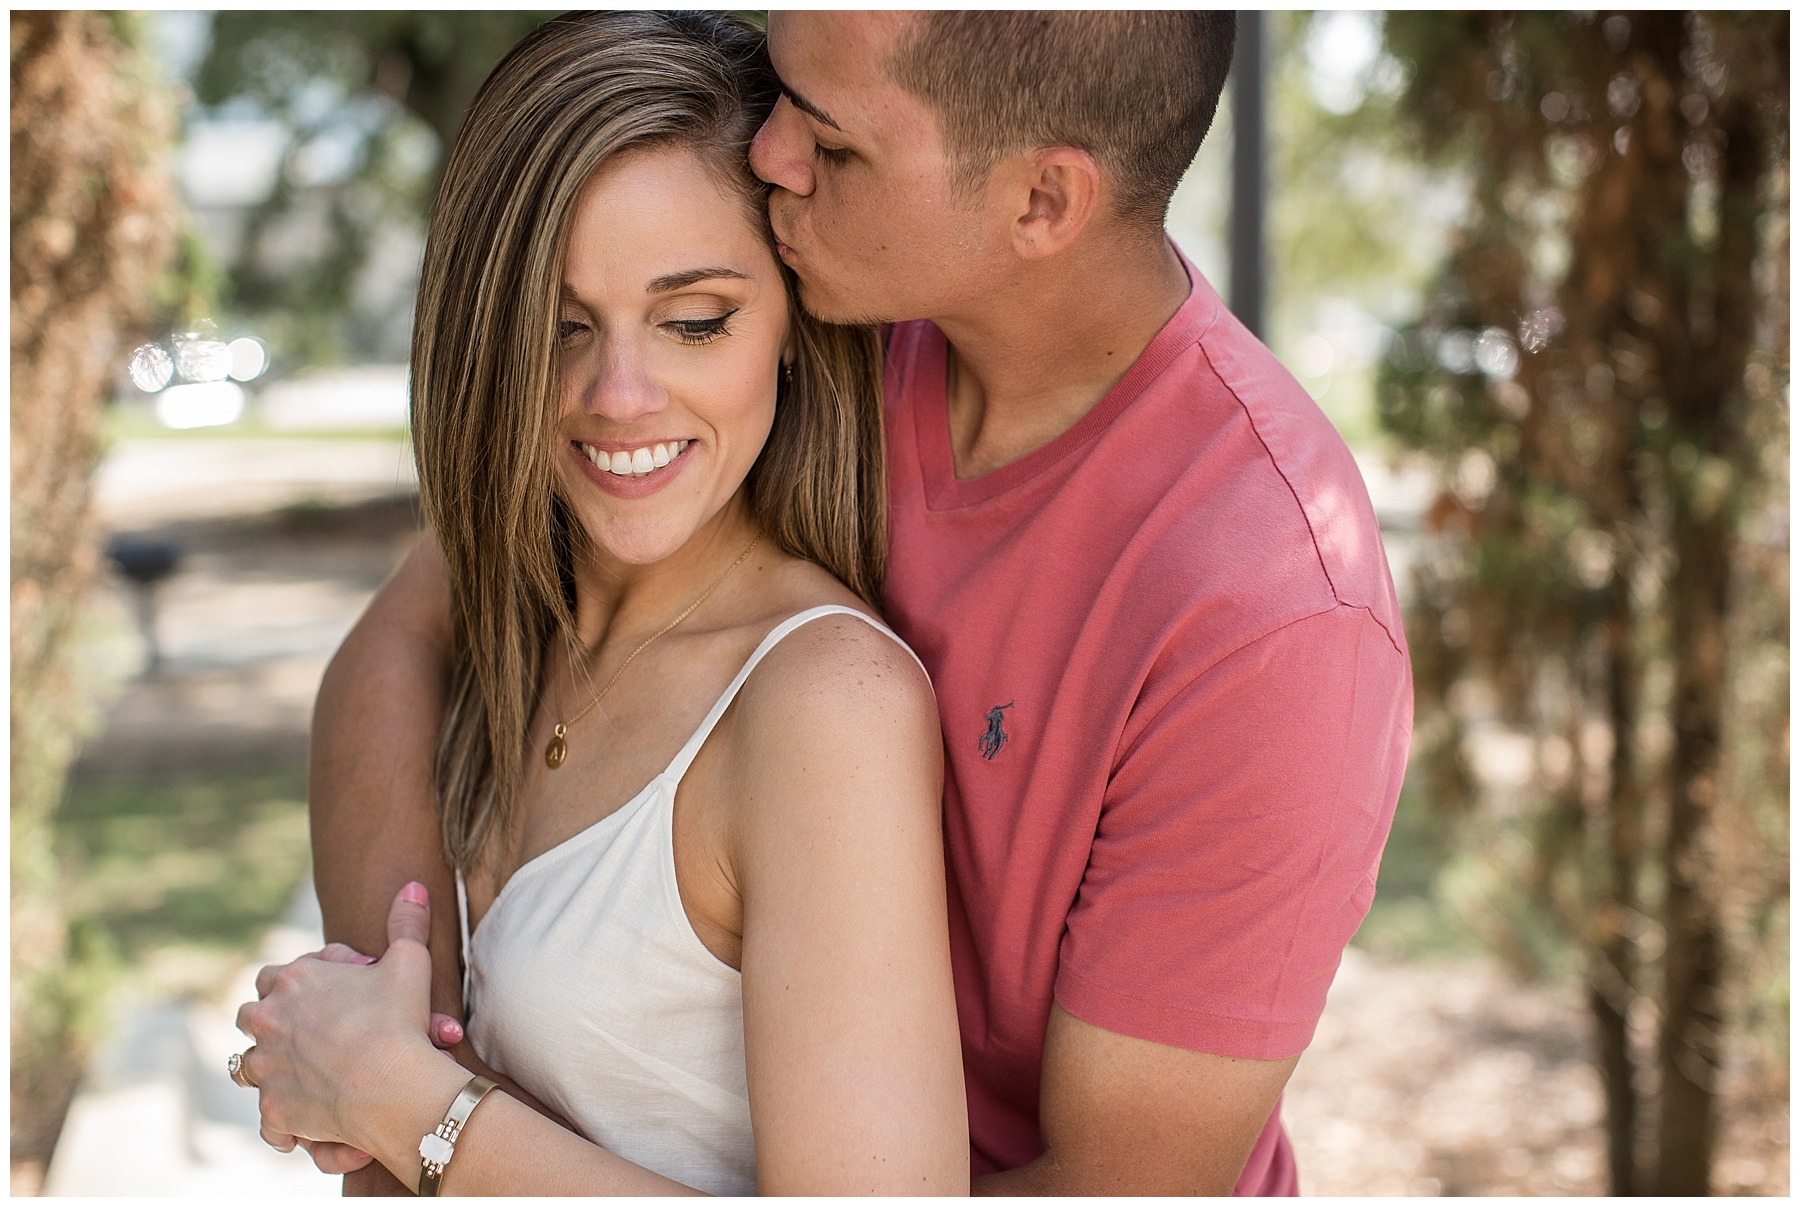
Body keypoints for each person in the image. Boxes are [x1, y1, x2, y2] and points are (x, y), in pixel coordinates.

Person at [285, 10, 1413, 1196]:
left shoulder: (1274, 612)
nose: (770, 157)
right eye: (779, 93)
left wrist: (437, 1124)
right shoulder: (831, 318)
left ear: (1040, 203)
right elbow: (420, 612)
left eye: (828, 136)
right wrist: (406, 1028)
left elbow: (1116, 1184)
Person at [233, 12, 969, 1195]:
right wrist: (396, 1058)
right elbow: (386, 650)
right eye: (559, 326)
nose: (618, 394)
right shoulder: (518, 595)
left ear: (789, 322)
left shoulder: (824, 703)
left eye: (693, 321)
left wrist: (414, 1105)